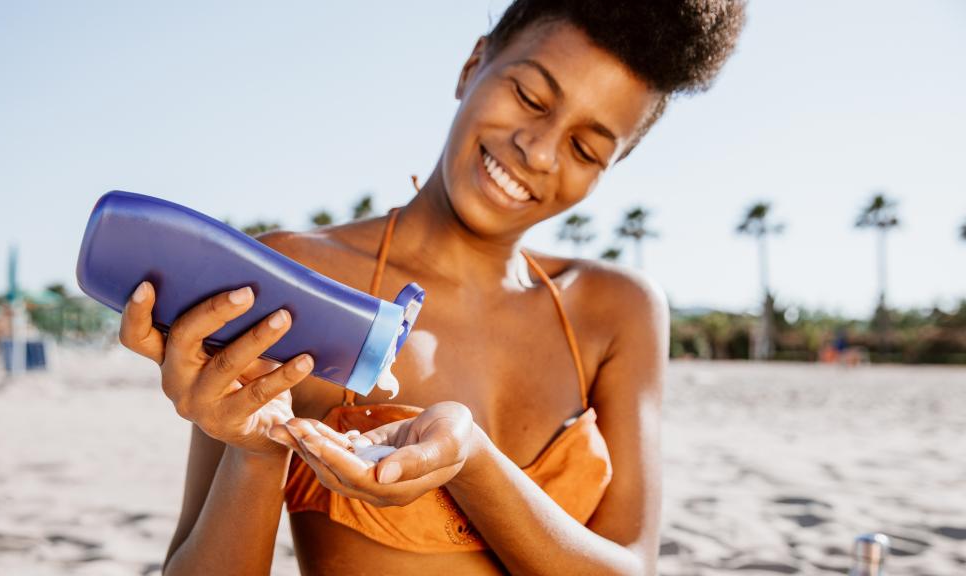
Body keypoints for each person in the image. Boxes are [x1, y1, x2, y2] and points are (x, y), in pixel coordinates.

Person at [118, 2, 745, 574]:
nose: (540, 151)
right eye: (530, 97)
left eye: (585, 148)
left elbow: (631, 566)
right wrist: (254, 454)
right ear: (473, 65)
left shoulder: (617, 310)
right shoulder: (297, 277)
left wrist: (472, 460)